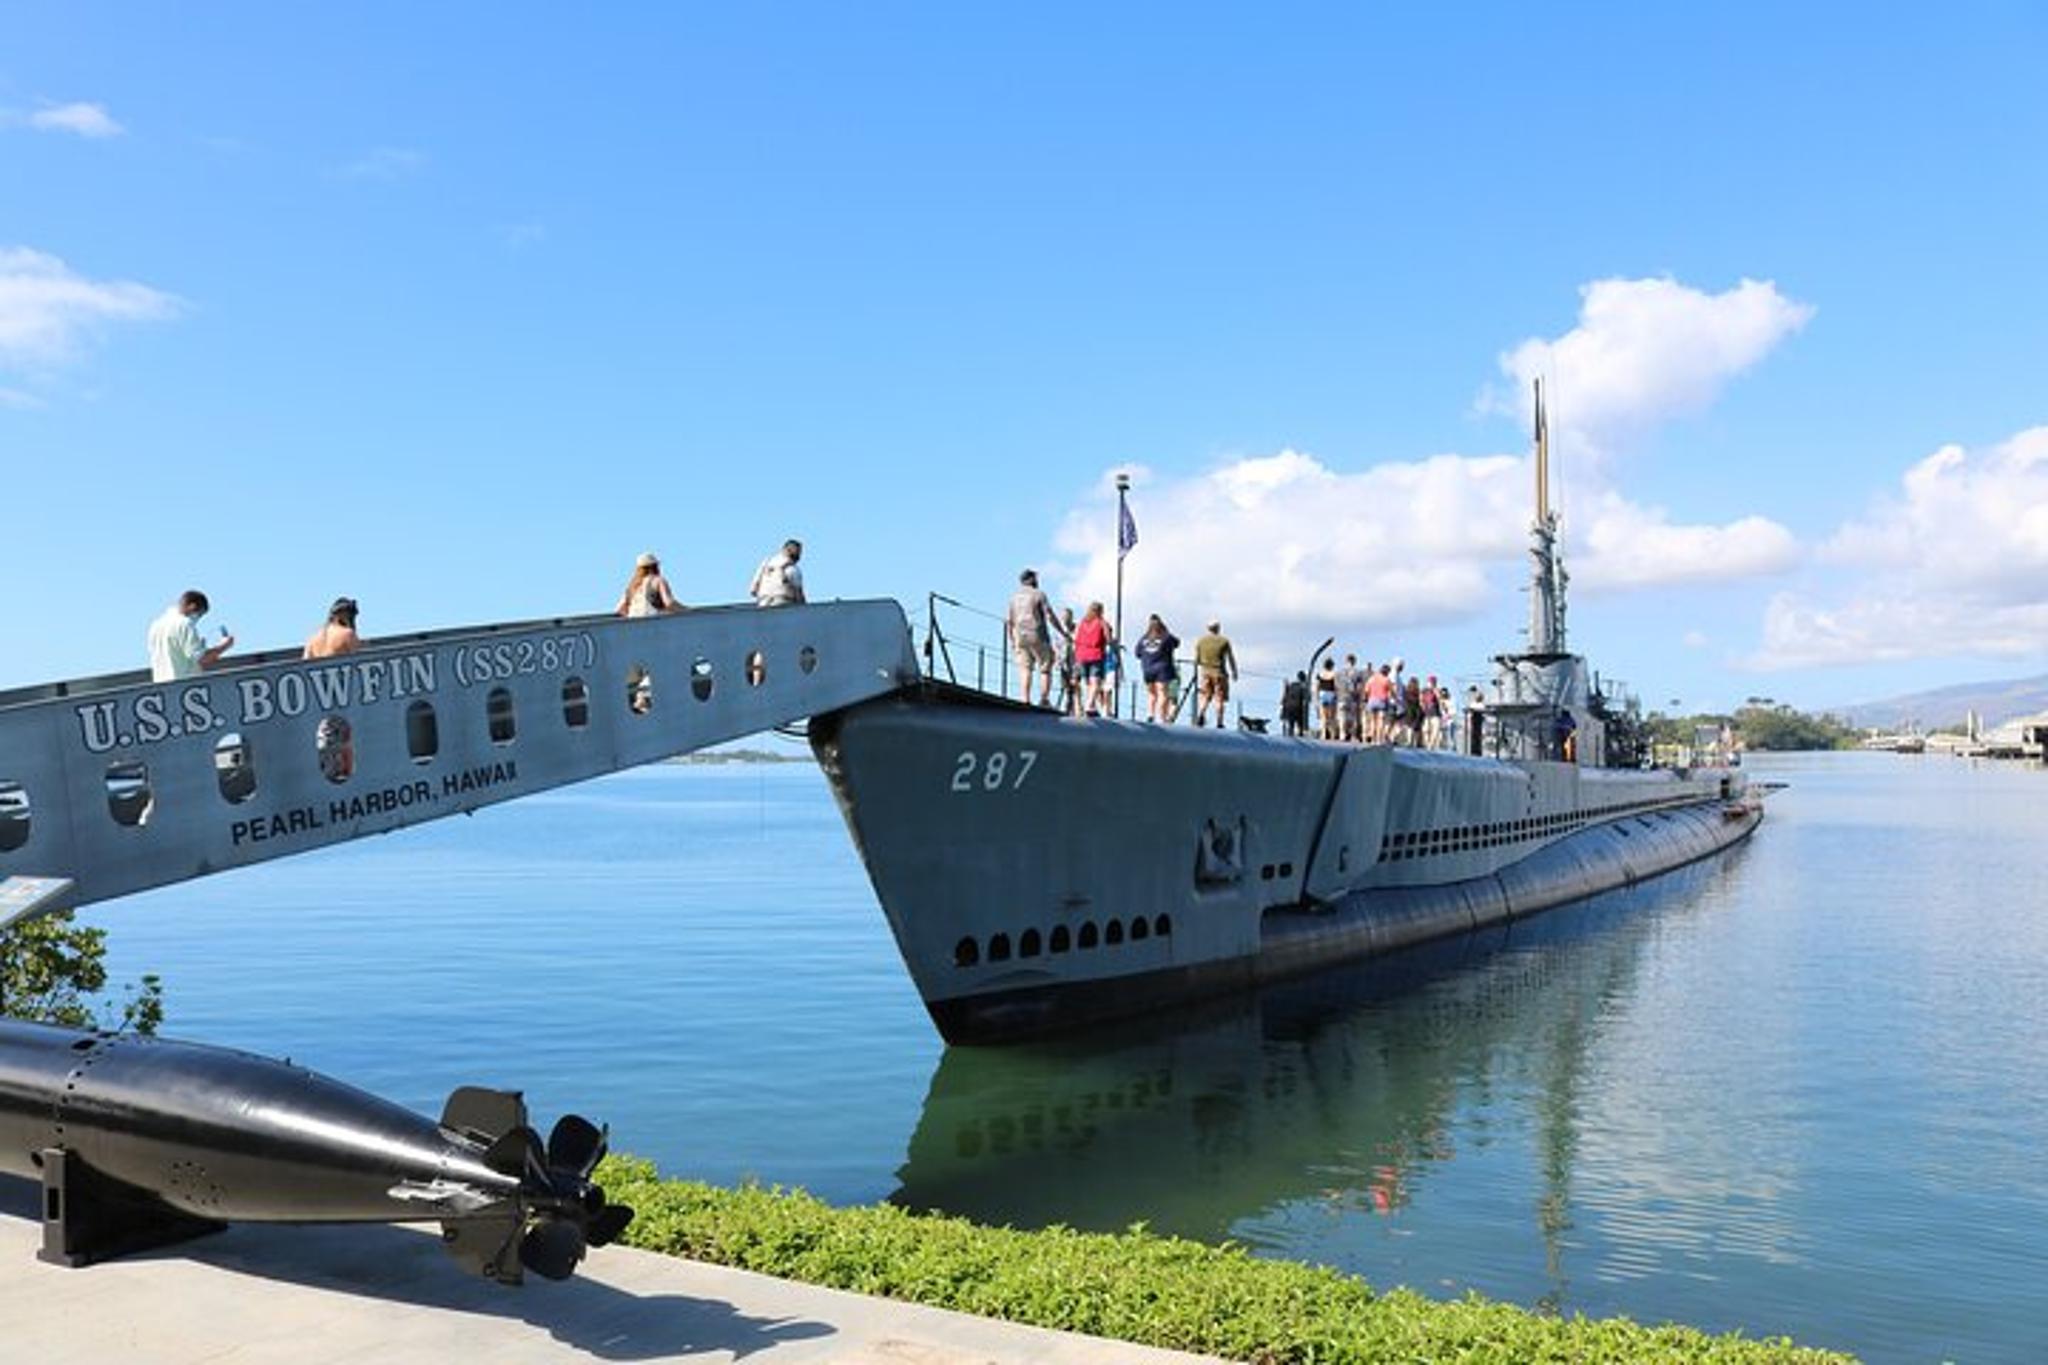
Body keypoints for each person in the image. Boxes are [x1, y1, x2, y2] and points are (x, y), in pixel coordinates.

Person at [1007, 569, 1066, 707]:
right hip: (1038, 635)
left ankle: (1025, 698)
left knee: (1025, 668)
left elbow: (1009, 620)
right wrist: (1062, 632)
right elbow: (1049, 615)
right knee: (1045, 667)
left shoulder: (1014, 597)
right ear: (1032, 579)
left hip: (1020, 636)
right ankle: (1044, 699)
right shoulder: (1039, 594)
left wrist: (1012, 640)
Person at [147, 590, 233, 682]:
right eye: (200, 614)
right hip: (184, 685)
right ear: (192, 607)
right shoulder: (185, 624)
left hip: (161, 687)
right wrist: (224, 646)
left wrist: (200, 648)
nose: (198, 618)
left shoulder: (155, 626)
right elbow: (202, 659)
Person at [1135, 615, 1181, 723]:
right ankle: (1162, 717)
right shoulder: (1166, 637)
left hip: (1147, 669)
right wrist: (1166, 631)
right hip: (1162, 669)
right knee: (1162, 693)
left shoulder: (1143, 639)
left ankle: (1150, 714)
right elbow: (1177, 643)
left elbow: (1137, 653)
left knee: (1151, 693)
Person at [1192, 620, 1237, 729]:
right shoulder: (1224, 641)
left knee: (1205, 697)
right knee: (1219, 699)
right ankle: (1219, 722)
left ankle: (1201, 714)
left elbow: (1196, 660)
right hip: (1220, 673)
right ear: (1218, 628)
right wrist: (1234, 671)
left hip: (1205, 673)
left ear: (1208, 628)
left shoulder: (1200, 641)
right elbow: (1230, 658)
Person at [1071, 602, 1113, 716]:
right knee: (1095, 682)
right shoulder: (1101, 622)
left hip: (1081, 655)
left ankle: (1090, 705)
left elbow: (1076, 638)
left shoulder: (1082, 623)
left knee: (1087, 682)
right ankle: (1089, 705)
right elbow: (1108, 639)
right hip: (1095, 654)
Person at [617, 552, 683, 617]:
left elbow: (620, 609)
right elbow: (669, 603)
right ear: (653, 567)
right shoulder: (658, 580)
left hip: (633, 623)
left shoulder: (631, 586)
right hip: (653, 620)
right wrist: (687, 610)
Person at [749, 539, 805, 607]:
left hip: (763, 606)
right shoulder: (793, 569)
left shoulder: (766, 563)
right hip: (783, 605)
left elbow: (753, 590)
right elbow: (799, 595)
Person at [1055, 606, 1080, 716]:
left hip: (1075, 661)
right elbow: (1057, 646)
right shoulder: (1059, 631)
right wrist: (1057, 660)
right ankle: (1068, 706)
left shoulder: (1077, 630)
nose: (1065, 619)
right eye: (1063, 617)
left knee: (1074, 685)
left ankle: (1076, 707)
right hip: (1063, 662)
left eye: (1067, 616)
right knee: (1066, 686)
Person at [1365, 663, 1396, 743]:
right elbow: (1392, 692)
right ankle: (1379, 739)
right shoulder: (1386, 680)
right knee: (1381, 721)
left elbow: (1366, 689)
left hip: (1371, 701)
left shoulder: (1372, 678)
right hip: (1382, 701)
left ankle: (1373, 738)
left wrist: (1368, 697)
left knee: (1372, 720)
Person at [1335, 654, 1362, 743]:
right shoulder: (1357, 673)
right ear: (1354, 661)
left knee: (1342, 717)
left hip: (1341, 697)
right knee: (1353, 718)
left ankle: (1342, 734)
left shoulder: (1339, 673)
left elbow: (1336, 686)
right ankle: (1353, 736)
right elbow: (1359, 688)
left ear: (1346, 661)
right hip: (1352, 698)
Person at [1316, 658, 1339, 739]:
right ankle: (1332, 735)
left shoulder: (1320, 674)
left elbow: (1317, 686)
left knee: (1323, 717)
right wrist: (1336, 696)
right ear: (1332, 666)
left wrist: (1317, 696)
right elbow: (1336, 686)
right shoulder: (1333, 674)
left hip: (1322, 693)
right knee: (1332, 716)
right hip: (1331, 693)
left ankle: (1323, 734)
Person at [1281, 671, 1310, 738]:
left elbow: (1284, 697)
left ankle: (1290, 737)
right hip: (1298, 708)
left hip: (1288, 708)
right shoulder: (1303, 687)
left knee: (1291, 726)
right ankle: (1300, 736)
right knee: (1300, 726)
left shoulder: (1291, 685)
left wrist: (1283, 708)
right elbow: (1307, 699)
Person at [1419, 674, 1443, 750]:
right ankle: (1427, 743)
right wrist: (1423, 708)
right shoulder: (1424, 690)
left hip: (1435, 713)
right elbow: (1421, 700)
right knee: (1426, 730)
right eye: (1430, 682)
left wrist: (1436, 691)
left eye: (1433, 682)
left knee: (1435, 730)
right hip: (1427, 713)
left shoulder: (1436, 690)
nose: (1431, 683)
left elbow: (1440, 700)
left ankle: (1431, 745)